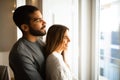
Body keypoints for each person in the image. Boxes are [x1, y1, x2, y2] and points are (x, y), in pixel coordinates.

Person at [9, 5, 46, 80]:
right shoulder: (20, 53)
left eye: (42, 18)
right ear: (25, 27)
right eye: (38, 20)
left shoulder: (40, 42)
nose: (44, 22)